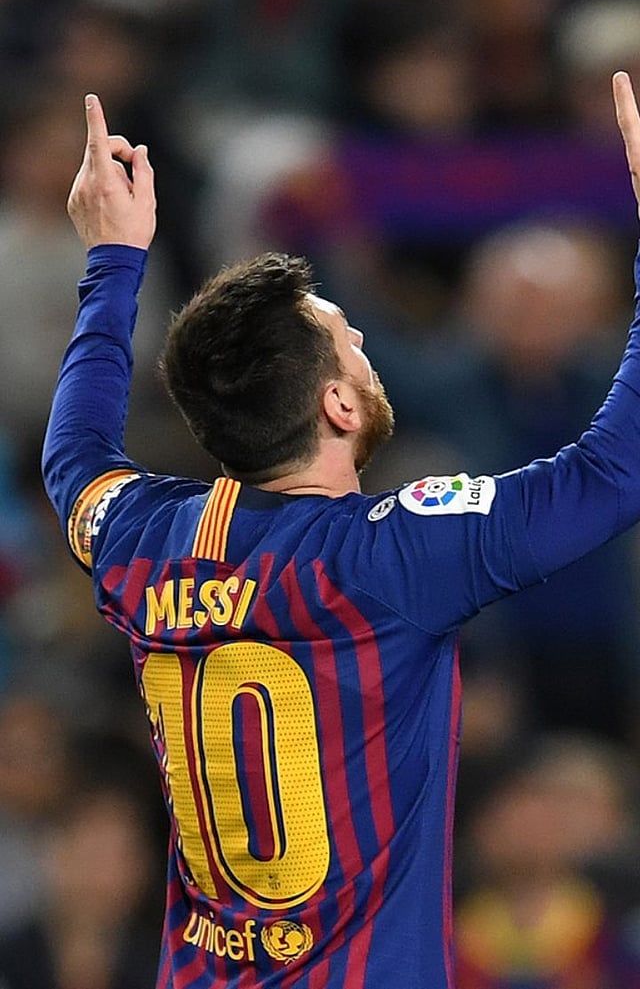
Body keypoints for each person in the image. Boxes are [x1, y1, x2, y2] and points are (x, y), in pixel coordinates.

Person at [42, 72, 640, 989]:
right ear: (337, 403)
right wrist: (115, 262)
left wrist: (114, 261)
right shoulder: (393, 555)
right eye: (348, 338)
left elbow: (74, 456)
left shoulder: (140, 539)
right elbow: (612, 471)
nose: (363, 342)